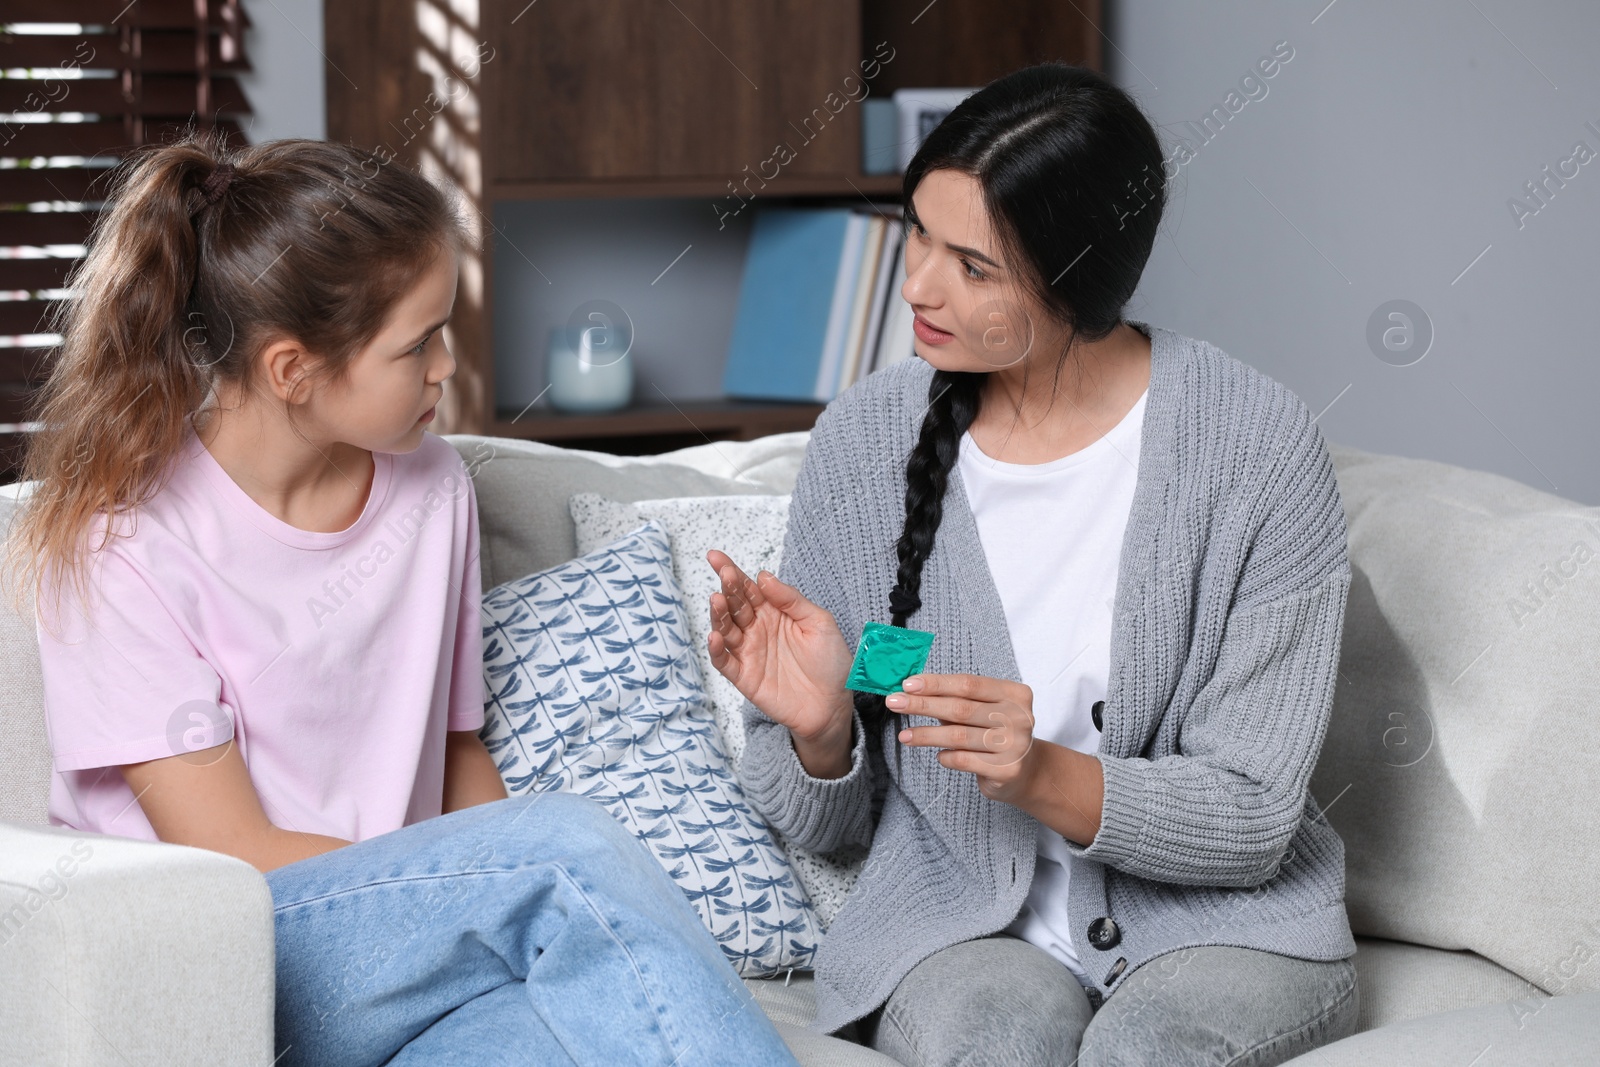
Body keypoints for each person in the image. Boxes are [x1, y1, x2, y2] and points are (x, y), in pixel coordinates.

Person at [6, 132, 801, 1067]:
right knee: (564, 850)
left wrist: (481, 911)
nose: (444, 367)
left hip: (411, 950)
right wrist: (483, 888)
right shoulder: (124, 547)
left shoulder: (432, 490)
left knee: (568, 1033)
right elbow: (230, 854)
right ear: (292, 369)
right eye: (416, 343)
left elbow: (457, 757)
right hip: (239, 948)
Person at [705, 62, 1359, 1067]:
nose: (917, 284)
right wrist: (823, 729)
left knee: (1141, 1053)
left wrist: (1042, 773)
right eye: (917, 231)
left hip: (1224, 925)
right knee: (993, 1043)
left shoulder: (1255, 445)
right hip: (960, 930)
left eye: (973, 265)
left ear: (1076, 281)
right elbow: (823, 826)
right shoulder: (868, 443)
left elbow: (1253, 818)